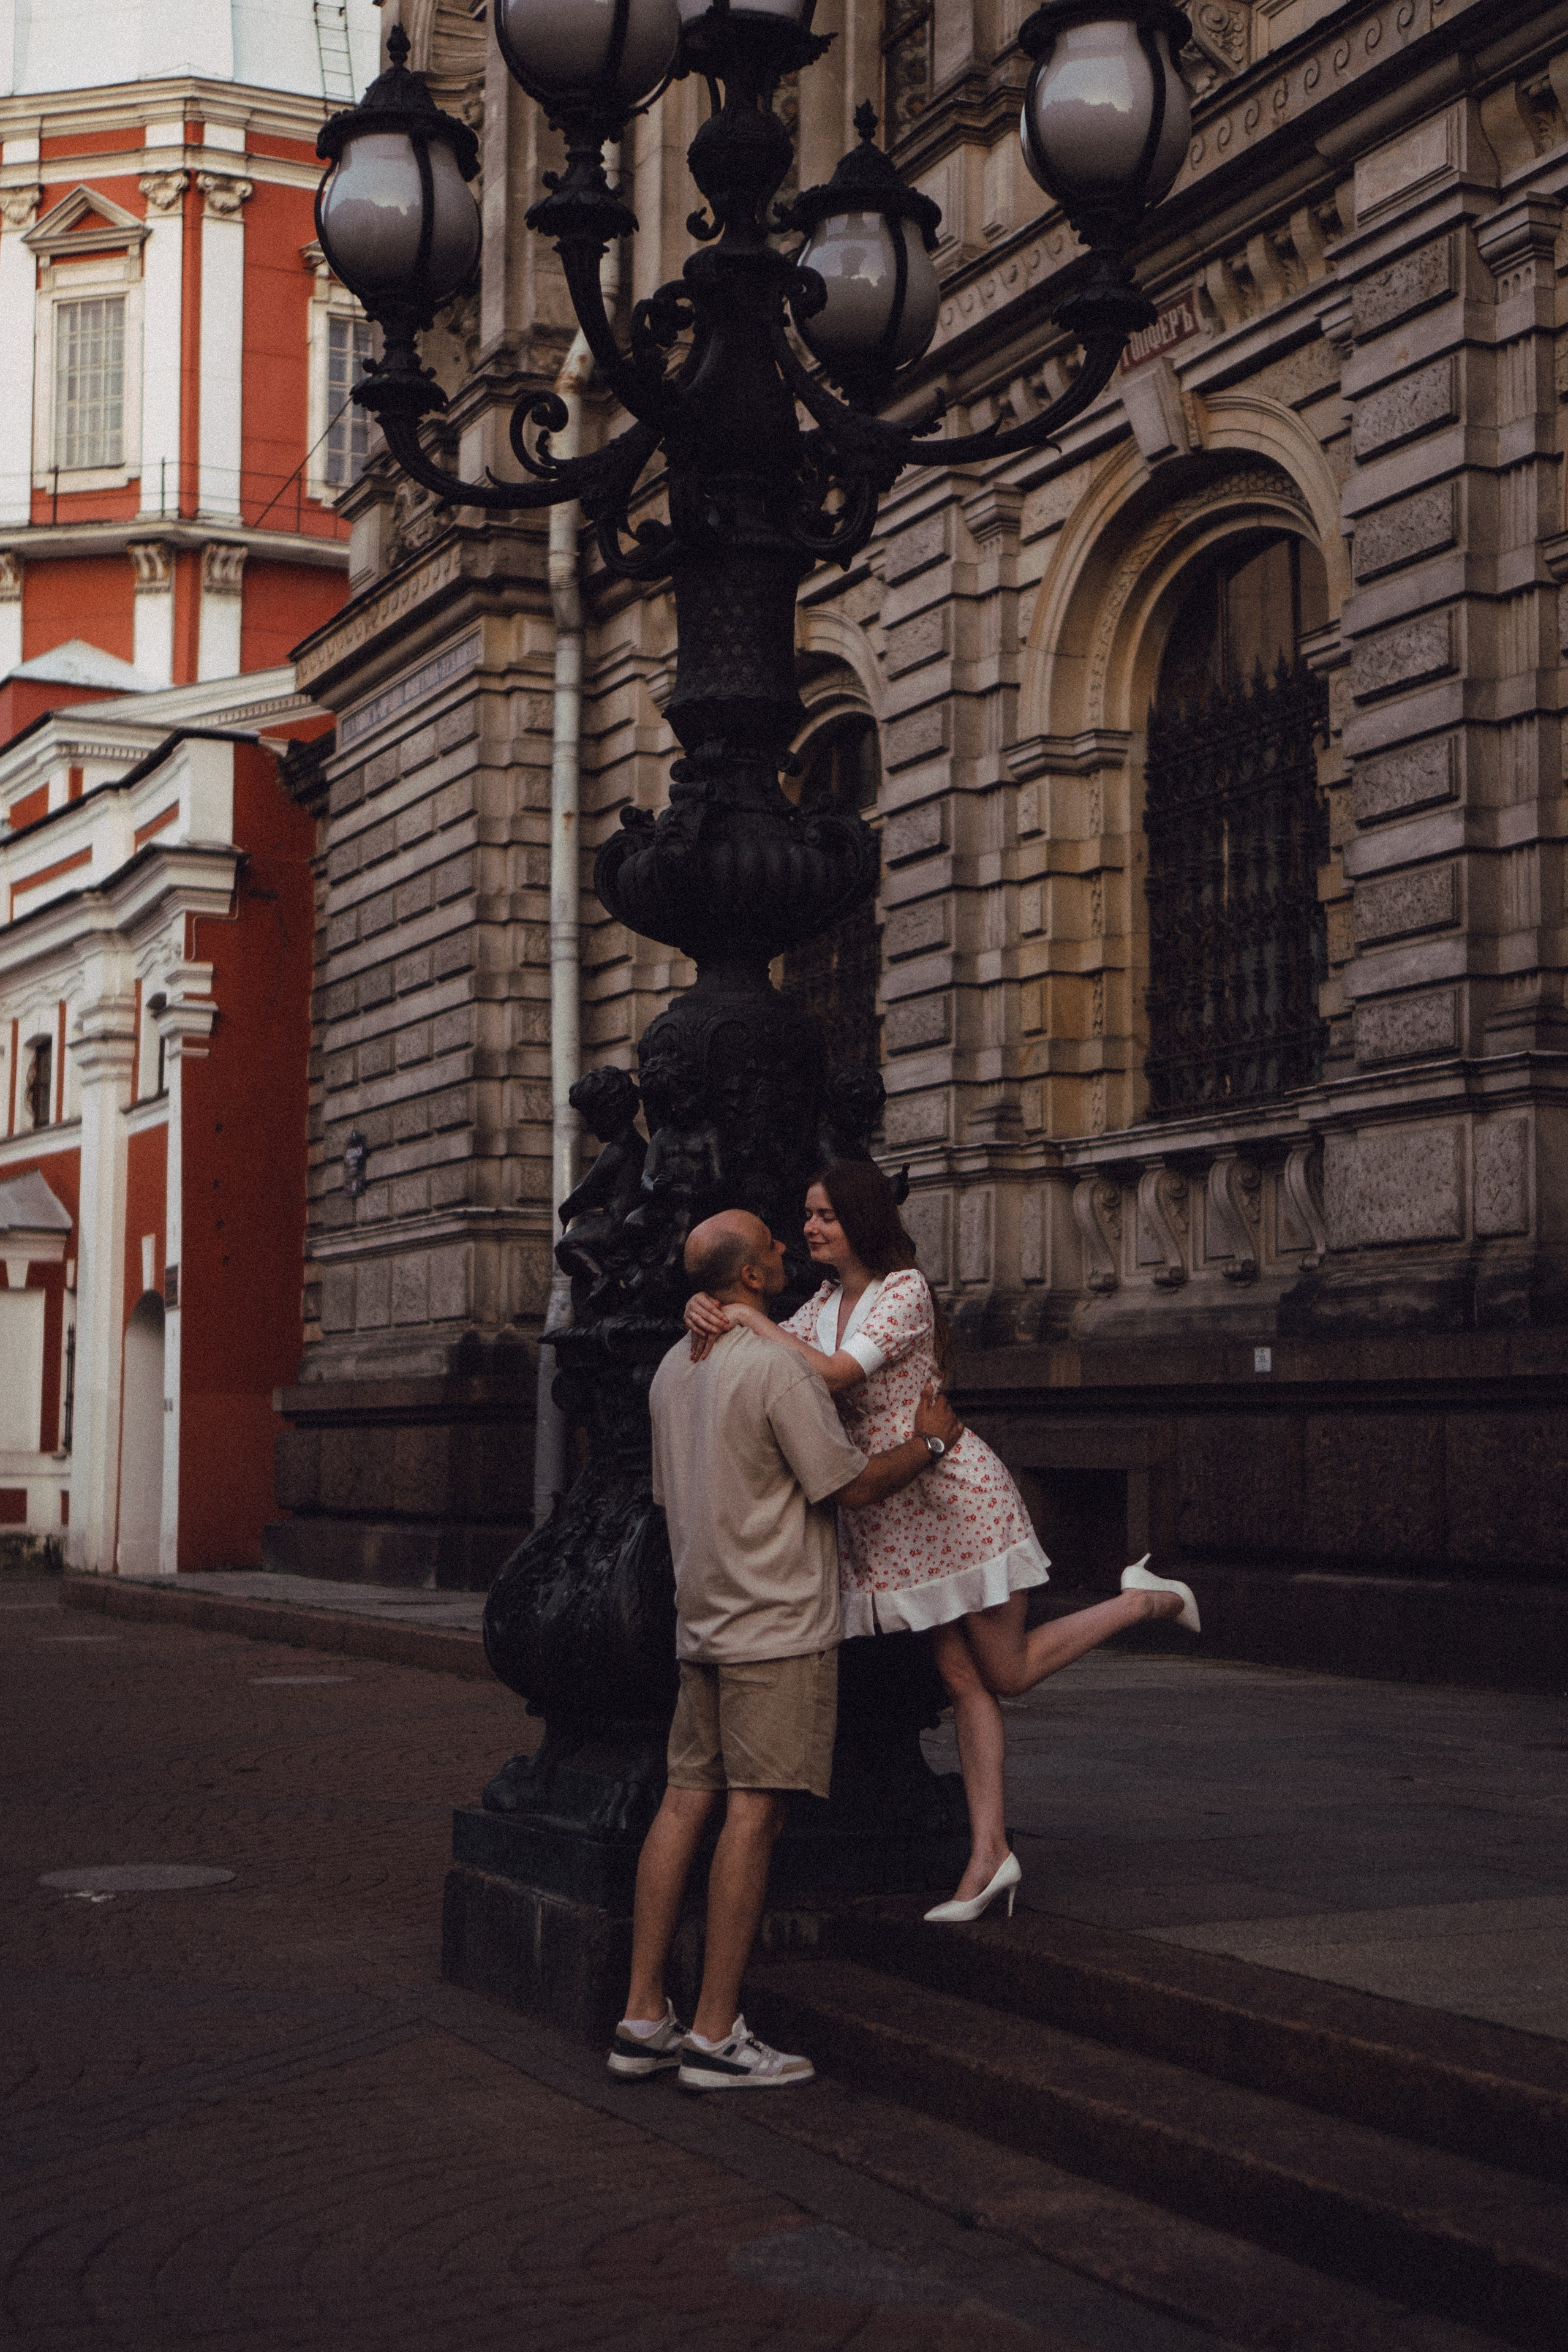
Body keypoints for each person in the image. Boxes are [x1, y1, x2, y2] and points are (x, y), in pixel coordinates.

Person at [684, 1162, 1200, 1924]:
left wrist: (747, 1317)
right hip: (894, 1516)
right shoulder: (821, 1302)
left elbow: (826, 1377)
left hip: (955, 1501)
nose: (810, 1229)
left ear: (859, 1220)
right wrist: (707, 1305)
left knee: (1007, 1670)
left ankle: (1143, 1602)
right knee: (963, 1680)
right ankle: (990, 1856)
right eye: (806, 1215)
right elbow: (774, 1358)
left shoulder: (904, 1293)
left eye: (823, 1215)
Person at [609, 1205, 963, 2090]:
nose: (784, 1250)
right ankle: (717, 2035)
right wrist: (928, 1442)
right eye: (774, 1244)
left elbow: (667, 1495)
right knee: (753, 1818)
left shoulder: (669, 1370)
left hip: (704, 1623)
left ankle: (642, 2016)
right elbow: (847, 1486)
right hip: (777, 1626)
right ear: (756, 1278)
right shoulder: (775, 1370)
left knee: (683, 1806)